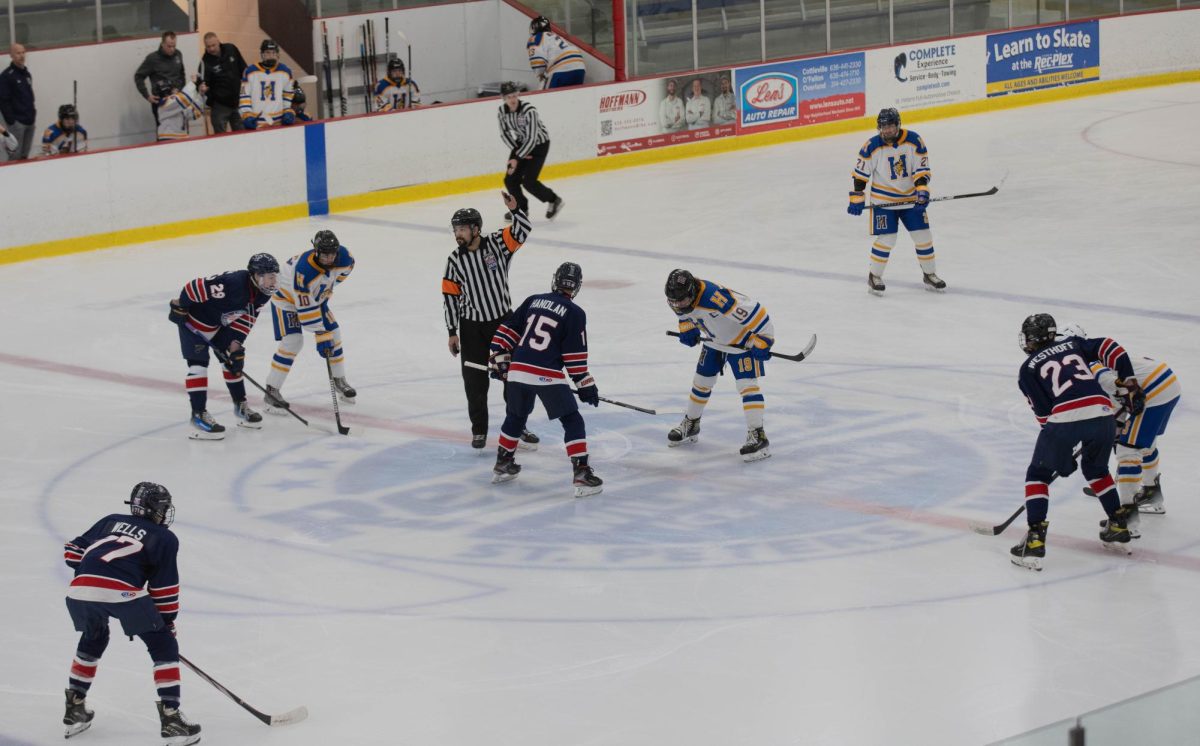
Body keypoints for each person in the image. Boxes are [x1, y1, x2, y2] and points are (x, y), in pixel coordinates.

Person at [61, 482, 201, 745]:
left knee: (94, 637)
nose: (164, 513)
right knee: (162, 646)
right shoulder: (165, 538)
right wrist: (167, 624)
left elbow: (72, 551)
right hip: (121, 592)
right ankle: (172, 719)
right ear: (153, 509)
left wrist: (94, 570)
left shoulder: (110, 520)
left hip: (79, 590)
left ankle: (75, 708)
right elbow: (164, 588)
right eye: (162, 508)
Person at [1010, 313, 1141, 570]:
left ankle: (1034, 541)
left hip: (1065, 418)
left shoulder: (1027, 369)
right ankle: (1117, 525)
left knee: (1038, 474)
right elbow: (1109, 347)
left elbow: (1044, 414)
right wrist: (1129, 381)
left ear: (1031, 339)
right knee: (1096, 469)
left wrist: (1059, 451)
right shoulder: (1073, 344)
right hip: (1103, 413)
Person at [488, 262, 603, 497]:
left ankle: (503, 462)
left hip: (518, 369)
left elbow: (508, 330)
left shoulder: (533, 300)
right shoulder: (575, 313)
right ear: (576, 286)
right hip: (547, 373)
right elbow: (574, 357)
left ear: (555, 280)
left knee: (516, 416)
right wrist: (585, 384)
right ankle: (581, 472)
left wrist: (499, 357)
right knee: (572, 419)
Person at [442, 192, 540, 452]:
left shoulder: (498, 243)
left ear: (476, 229)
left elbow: (524, 229)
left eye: (462, 229)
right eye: (455, 230)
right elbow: (450, 297)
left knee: (514, 377)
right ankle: (479, 430)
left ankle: (517, 425)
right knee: (474, 381)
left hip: (503, 324)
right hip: (471, 327)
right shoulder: (454, 260)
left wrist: (515, 208)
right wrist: (452, 331)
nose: (458, 234)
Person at [1059, 323, 1181, 521]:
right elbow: (1117, 400)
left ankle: (1127, 516)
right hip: (1165, 382)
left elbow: (1110, 383)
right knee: (1142, 442)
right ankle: (1151, 492)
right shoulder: (1090, 355)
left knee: (1127, 449)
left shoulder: (1085, 363)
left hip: (1154, 390)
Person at [664, 269, 774, 462]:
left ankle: (758, 435)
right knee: (701, 382)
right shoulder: (677, 298)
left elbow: (756, 312)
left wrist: (765, 338)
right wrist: (685, 326)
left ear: (692, 292)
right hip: (714, 341)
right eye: (674, 301)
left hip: (741, 342)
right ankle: (691, 424)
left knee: (747, 386)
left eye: (681, 301)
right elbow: (682, 313)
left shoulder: (715, 298)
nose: (677, 305)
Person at [169, 253, 279, 439]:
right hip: (194, 323)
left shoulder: (262, 294)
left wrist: (235, 348)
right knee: (198, 365)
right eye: (270, 277)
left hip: (220, 325)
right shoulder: (233, 283)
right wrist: (179, 306)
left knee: (232, 361)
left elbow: (246, 320)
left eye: (274, 276)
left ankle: (240, 406)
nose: (273, 281)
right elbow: (193, 288)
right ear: (256, 275)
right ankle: (198, 416)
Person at [848, 108, 945, 294]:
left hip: (910, 199)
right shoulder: (871, 146)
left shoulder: (914, 141)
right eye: (883, 127)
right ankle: (874, 276)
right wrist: (857, 197)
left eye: (890, 126)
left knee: (923, 236)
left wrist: (922, 191)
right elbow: (861, 175)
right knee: (887, 239)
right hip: (883, 201)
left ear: (898, 125)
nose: (886, 131)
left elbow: (921, 170)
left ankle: (929, 274)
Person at [263, 230, 356, 411]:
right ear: (316, 251)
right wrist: (321, 334)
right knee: (293, 342)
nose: (329, 259)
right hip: (286, 300)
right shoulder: (304, 272)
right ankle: (271, 390)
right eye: (324, 254)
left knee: (335, 334)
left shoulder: (344, 257)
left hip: (312, 297)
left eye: (332, 254)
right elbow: (305, 308)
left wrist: (325, 290)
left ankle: (339, 380)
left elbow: (346, 270)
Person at [498, 82, 564, 220]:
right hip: (521, 144)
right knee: (510, 179)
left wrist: (517, 158)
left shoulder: (529, 111)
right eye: (509, 97)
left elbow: (532, 138)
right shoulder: (502, 111)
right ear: (503, 98)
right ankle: (521, 209)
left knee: (529, 182)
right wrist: (517, 153)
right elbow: (504, 134)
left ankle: (554, 200)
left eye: (515, 95)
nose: (513, 99)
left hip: (539, 145)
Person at [239, 39, 295, 130]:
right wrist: (247, 115)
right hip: (257, 123)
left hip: (278, 123)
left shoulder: (285, 71)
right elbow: (244, 97)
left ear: (277, 54)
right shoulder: (250, 71)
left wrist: (288, 111)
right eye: (268, 53)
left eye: (273, 53)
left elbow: (288, 95)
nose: (271, 56)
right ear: (262, 54)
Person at [134, 31, 186, 126]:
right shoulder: (152, 59)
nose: (172, 49)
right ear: (162, 44)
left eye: (174, 46)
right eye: (169, 46)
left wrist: (180, 90)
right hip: (161, 102)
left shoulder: (178, 54)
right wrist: (147, 96)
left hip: (177, 100)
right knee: (164, 133)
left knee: (180, 130)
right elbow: (139, 76)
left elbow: (182, 74)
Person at [199, 32, 247, 132]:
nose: (211, 49)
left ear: (218, 41)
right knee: (220, 138)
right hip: (220, 106)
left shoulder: (231, 48)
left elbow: (244, 69)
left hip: (238, 102)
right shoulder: (204, 62)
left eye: (213, 45)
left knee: (242, 135)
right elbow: (202, 84)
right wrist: (203, 89)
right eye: (208, 46)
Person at [526, 16, 586, 89]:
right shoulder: (555, 36)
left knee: (546, 96)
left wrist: (539, 74)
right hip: (580, 68)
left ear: (535, 28)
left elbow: (538, 63)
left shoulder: (535, 38)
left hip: (561, 70)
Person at [0, 43, 37, 161]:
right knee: (15, 156)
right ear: (11, 55)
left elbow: (29, 96)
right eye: (18, 53)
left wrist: (33, 114)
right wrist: (12, 121)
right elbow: (3, 101)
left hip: (30, 121)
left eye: (23, 52)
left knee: (25, 156)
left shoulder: (27, 74)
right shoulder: (6, 76)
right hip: (17, 124)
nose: (21, 56)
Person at [154, 77, 207, 142]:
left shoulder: (177, 105)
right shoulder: (166, 104)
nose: (176, 89)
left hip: (180, 137)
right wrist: (193, 83)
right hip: (169, 137)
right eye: (173, 88)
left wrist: (201, 94)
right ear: (167, 91)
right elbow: (185, 97)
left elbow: (195, 113)